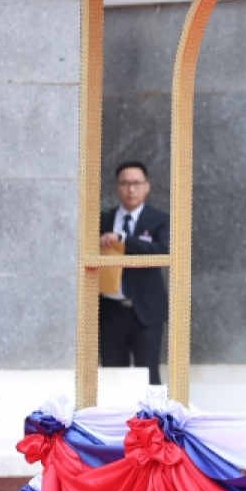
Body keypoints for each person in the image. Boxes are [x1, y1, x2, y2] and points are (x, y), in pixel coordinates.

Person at [98, 161, 170, 385]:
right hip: (110, 309)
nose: (131, 189)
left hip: (145, 311)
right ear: (117, 187)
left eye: (137, 183)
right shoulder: (103, 217)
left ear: (147, 186)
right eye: (125, 183)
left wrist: (124, 240)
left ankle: (151, 421)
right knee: (113, 375)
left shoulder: (159, 219)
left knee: (149, 375)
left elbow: (163, 250)